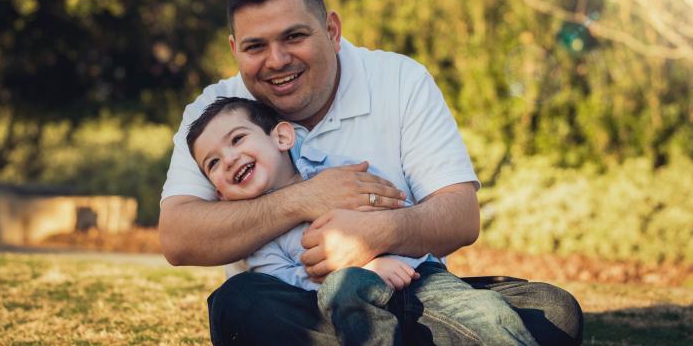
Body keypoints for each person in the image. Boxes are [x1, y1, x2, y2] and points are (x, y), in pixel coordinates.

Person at [159, 0, 583, 345]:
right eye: (255, 47)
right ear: (235, 50)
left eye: (294, 36)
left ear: (332, 30)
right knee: (237, 305)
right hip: (299, 308)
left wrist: (372, 236)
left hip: (410, 288)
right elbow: (178, 238)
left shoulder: (400, 80)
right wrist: (304, 199)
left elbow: (460, 215)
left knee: (555, 311)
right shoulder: (215, 115)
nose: (277, 60)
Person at [186, 96, 539, 345]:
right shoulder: (260, 241)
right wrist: (361, 273)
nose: (229, 159)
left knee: (496, 315)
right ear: (218, 193)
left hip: (416, 282)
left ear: (281, 136)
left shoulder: (335, 169)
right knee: (249, 301)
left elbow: (395, 207)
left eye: (237, 140)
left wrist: (380, 250)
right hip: (340, 307)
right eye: (213, 163)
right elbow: (286, 285)